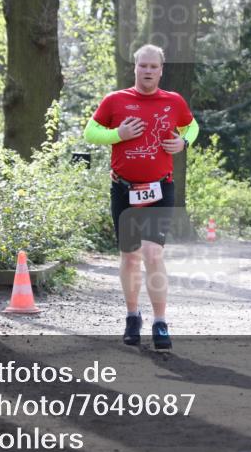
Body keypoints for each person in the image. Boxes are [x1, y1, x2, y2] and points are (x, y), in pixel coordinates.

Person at [83, 44, 199, 351]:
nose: (147, 71)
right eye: (142, 66)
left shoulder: (173, 101)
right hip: (123, 188)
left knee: (153, 254)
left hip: (160, 188)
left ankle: (160, 322)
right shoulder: (115, 100)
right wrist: (117, 135)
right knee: (131, 256)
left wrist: (184, 142)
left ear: (161, 70)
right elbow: (90, 133)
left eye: (153, 66)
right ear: (135, 68)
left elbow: (193, 125)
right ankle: (132, 316)